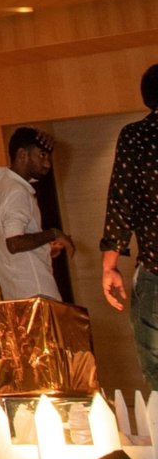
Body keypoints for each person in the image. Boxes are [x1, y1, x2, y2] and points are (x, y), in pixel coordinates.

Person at [100, 61, 158, 390]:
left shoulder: (136, 137)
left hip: (155, 270)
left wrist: (110, 265)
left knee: (156, 370)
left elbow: (120, 202)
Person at [0, 126, 72, 302]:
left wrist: (45, 248)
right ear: (22, 155)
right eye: (42, 156)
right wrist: (54, 234)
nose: (48, 164)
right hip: (36, 290)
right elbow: (14, 243)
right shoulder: (17, 191)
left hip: (16, 291)